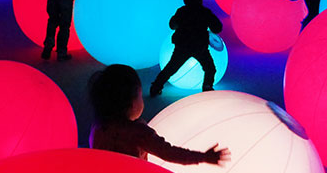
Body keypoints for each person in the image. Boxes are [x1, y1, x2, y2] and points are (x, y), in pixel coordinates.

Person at [89, 63, 230, 165]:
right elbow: (169, 153)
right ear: (131, 103)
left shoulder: (99, 128)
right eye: (139, 95)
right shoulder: (139, 133)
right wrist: (204, 157)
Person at [149, 0, 222, 96]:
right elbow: (217, 27)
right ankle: (207, 87)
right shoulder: (205, 12)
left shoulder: (182, 12)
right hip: (200, 47)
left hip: (182, 46)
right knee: (210, 68)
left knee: (171, 68)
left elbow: (172, 25)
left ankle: (156, 86)